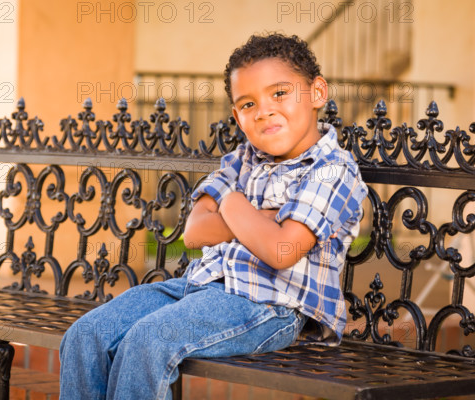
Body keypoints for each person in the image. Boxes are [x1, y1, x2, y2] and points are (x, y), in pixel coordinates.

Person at [59, 32, 368, 400]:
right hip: (198, 286)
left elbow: (282, 250)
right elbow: (194, 232)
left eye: (280, 93)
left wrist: (232, 203)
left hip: (270, 305)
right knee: (85, 334)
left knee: (150, 339)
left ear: (317, 92)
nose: (265, 110)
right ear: (237, 116)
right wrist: (258, 220)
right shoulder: (242, 159)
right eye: (248, 104)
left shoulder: (331, 170)